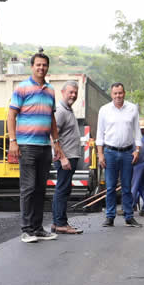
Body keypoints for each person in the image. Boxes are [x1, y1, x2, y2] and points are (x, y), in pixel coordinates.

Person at [6, 53, 62, 243]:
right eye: (38, 65)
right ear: (32, 67)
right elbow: (11, 115)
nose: (41, 68)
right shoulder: (22, 89)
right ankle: (26, 230)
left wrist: (56, 143)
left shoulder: (51, 91)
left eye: (45, 65)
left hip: (45, 147)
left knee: (40, 189)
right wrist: (13, 141)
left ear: (48, 67)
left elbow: (52, 119)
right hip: (27, 146)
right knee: (28, 188)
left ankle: (38, 228)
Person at [96, 82, 142, 227]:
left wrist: (137, 150)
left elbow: (137, 131)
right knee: (110, 187)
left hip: (128, 152)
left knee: (127, 186)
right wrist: (100, 154)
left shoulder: (132, 109)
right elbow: (99, 134)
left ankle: (129, 216)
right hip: (110, 152)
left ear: (124, 93)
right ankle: (110, 217)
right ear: (111, 94)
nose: (118, 96)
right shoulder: (104, 110)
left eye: (120, 93)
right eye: (115, 93)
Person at [52, 81, 84, 235]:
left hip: (70, 156)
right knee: (62, 190)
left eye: (75, 93)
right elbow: (53, 136)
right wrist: (62, 158)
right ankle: (60, 224)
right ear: (63, 92)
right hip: (65, 158)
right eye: (70, 92)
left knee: (64, 189)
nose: (73, 95)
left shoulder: (68, 110)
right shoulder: (60, 111)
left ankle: (57, 222)